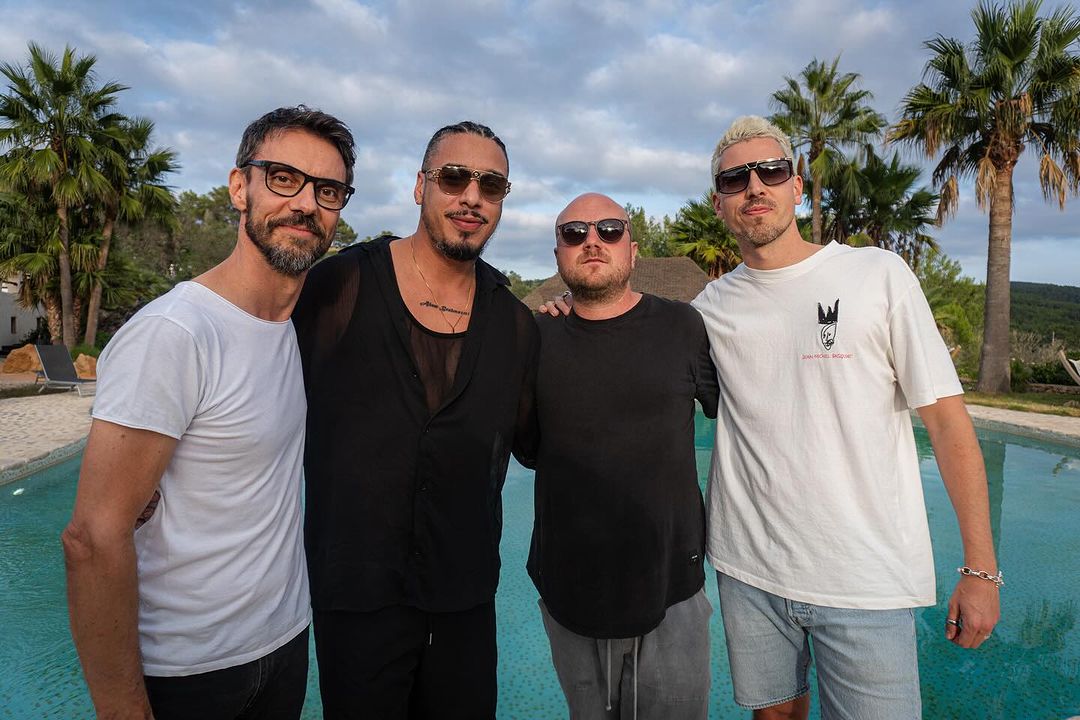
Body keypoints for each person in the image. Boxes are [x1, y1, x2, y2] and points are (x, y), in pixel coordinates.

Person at [691, 115, 1001, 720]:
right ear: (719, 201)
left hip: (864, 578)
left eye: (770, 171)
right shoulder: (708, 309)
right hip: (749, 570)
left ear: (796, 186)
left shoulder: (877, 276)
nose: (754, 186)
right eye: (734, 179)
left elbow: (946, 423)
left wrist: (981, 569)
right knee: (774, 715)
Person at [62, 105, 356, 719]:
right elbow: (93, 538)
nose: (305, 203)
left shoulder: (300, 328)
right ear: (239, 187)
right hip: (187, 670)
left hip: (281, 643)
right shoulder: (176, 333)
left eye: (327, 190)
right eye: (283, 178)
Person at [291, 121, 538, 719]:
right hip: (356, 596)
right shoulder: (338, 286)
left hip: (463, 599)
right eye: (454, 178)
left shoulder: (514, 323)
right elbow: (254, 390)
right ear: (420, 186)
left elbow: (537, 442)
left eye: (491, 185)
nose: (471, 197)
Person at [524, 193, 719, 719]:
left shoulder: (684, 327)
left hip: (671, 588)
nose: (592, 241)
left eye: (609, 230)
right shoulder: (533, 338)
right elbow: (527, 447)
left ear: (633, 251)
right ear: (558, 254)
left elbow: (741, 414)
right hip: (570, 587)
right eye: (574, 233)